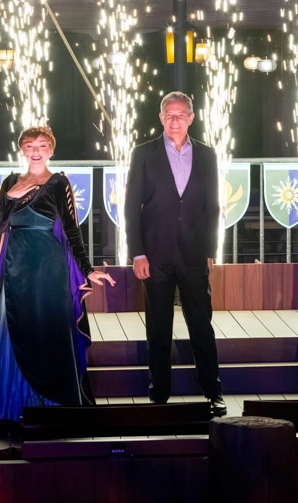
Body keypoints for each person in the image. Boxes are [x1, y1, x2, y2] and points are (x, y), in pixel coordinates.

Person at [0, 126, 115, 420]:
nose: (36, 151)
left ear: (51, 149)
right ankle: (13, 406)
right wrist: (9, 197)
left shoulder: (59, 183)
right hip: (16, 265)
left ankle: (52, 405)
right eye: (30, 146)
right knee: (16, 328)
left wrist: (88, 270)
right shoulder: (10, 182)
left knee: (49, 331)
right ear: (23, 150)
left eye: (42, 145)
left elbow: (72, 231)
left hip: (48, 268)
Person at [125, 92, 225, 416]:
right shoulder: (143, 154)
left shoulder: (208, 155)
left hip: (195, 252)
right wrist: (137, 253)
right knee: (158, 327)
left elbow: (212, 206)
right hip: (154, 254)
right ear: (161, 118)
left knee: (201, 324)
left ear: (191, 118)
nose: (175, 120)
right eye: (170, 114)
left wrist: (211, 249)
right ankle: (159, 394)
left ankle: (213, 391)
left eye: (181, 114)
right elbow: (131, 207)